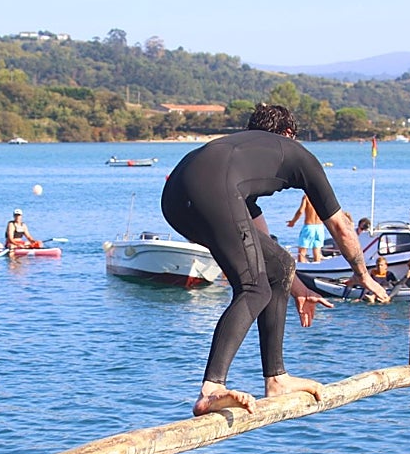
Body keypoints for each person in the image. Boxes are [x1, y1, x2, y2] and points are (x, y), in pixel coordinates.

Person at [161, 103, 386, 416]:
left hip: (175, 200)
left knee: (280, 266)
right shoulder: (297, 154)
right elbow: (341, 226)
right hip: (210, 192)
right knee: (253, 289)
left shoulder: (241, 155)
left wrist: (298, 287)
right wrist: (362, 274)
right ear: (289, 134)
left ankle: (277, 378)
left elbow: (266, 251)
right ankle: (211, 389)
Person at [286, 194, 325, 263]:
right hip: (320, 227)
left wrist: (293, 222)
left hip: (309, 227)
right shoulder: (321, 196)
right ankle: (317, 266)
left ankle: (302, 267)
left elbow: (300, 211)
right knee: (317, 251)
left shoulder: (306, 197)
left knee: (302, 252)